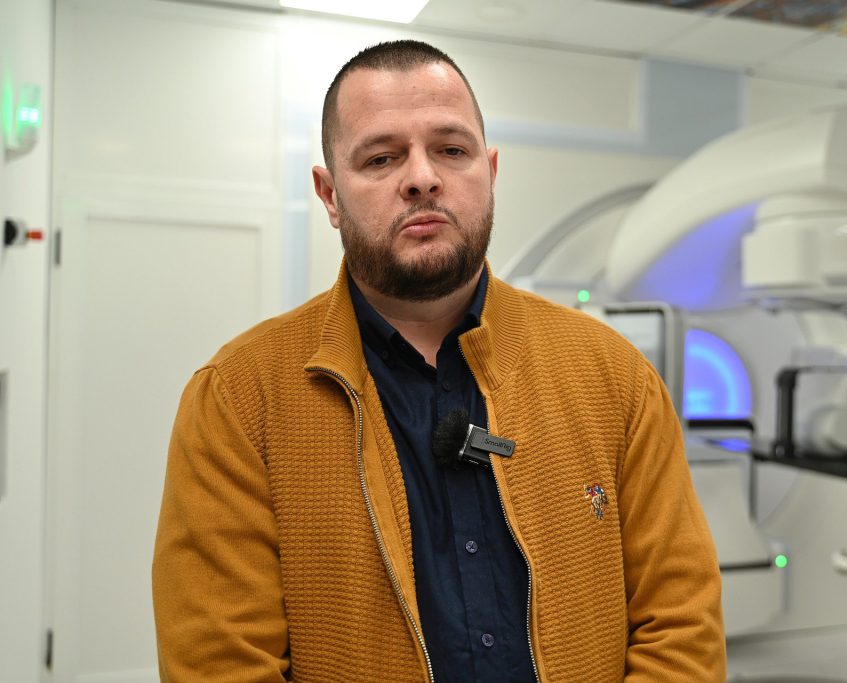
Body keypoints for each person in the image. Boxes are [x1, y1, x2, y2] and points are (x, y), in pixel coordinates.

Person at [152, 40, 725, 682]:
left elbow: (682, 624)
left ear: (491, 172)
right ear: (329, 194)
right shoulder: (238, 398)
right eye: (381, 158)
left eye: (452, 150)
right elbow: (221, 663)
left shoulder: (613, 375)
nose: (422, 178)